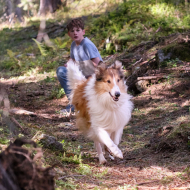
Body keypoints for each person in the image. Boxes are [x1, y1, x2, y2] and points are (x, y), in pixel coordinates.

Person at [56, 18, 103, 114]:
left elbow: (98, 64)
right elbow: (72, 60)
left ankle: (84, 103)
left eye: (78, 30)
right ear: (69, 34)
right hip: (82, 76)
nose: (75, 33)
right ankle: (74, 103)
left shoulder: (87, 45)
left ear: (83, 32)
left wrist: (94, 80)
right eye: (72, 31)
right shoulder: (74, 44)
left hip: (93, 78)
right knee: (61, 71)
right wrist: (67, 65)